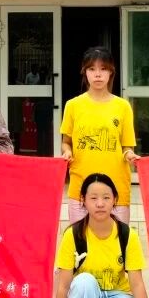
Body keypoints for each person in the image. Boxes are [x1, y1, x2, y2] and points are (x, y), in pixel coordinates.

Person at [60, 47, 136, 224]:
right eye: (92, 69)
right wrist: (67, 152)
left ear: (111, 72)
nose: (98, 74)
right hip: (80, 186)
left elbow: (127, 146)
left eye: (103, 69)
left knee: (117, 239)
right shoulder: (72, 105)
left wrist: (129, 155)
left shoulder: (123, 107)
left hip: (116, 187)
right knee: (80, 240)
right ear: (84, 72)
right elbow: (66, 142)